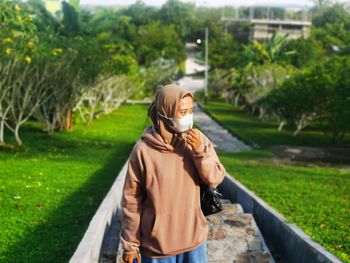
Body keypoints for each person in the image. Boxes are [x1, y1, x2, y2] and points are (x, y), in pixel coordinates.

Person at [120, 84, 226, 263]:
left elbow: (215, 177)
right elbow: (132, 200)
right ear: (164, 112)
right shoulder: (143, 150)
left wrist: (200, 151)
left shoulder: (196, 140)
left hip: (194, 241)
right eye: (182, 112)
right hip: (157, 247)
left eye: (191, 111)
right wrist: (130, 245)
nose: (188, 117)